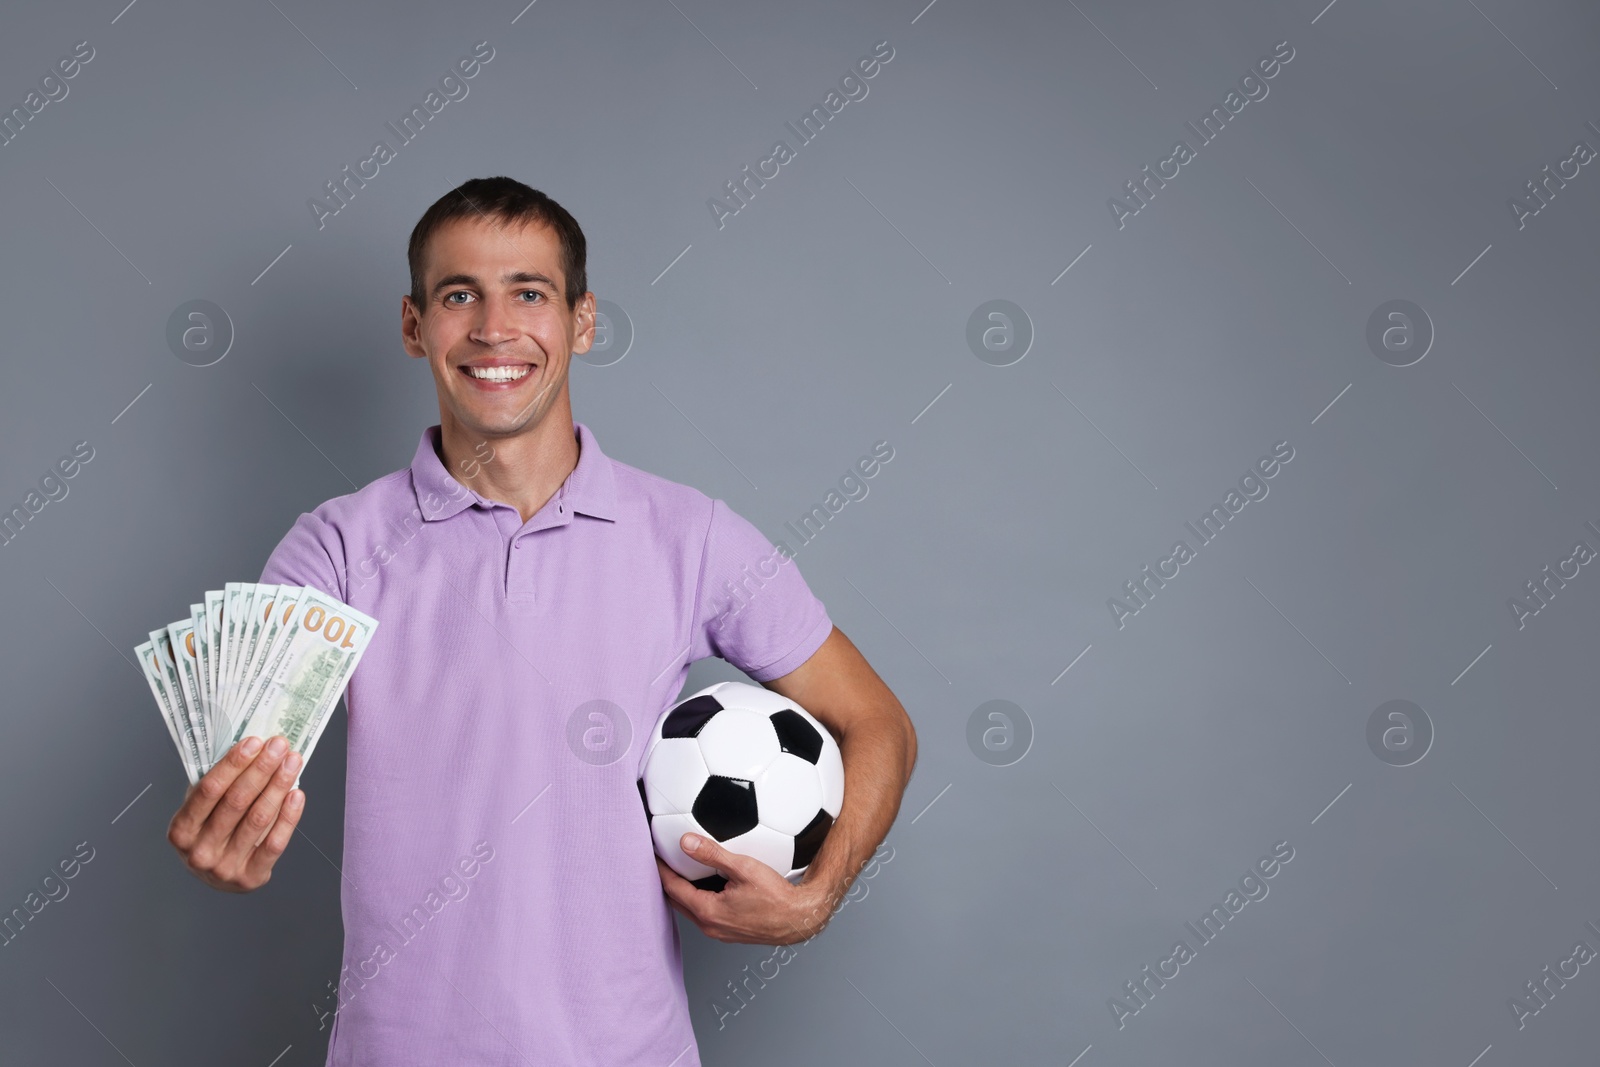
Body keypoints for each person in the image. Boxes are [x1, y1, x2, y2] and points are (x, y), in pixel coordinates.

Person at [163, 176, 917, 1065]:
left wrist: (815, 894)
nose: (493, 328)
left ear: (582, 320)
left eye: (529, 292)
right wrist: (230, 840)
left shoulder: (692, 536)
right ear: (414, 328)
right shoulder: (333, 548)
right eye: (458, 296)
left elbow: (879, 724)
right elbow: (247, 762)